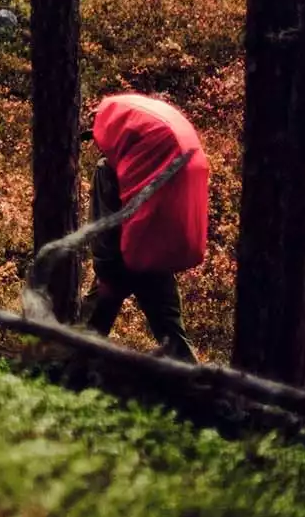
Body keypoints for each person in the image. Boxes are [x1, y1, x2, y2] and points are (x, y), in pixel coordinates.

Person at [82, 94, 211, 363]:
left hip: (118, 264)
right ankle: (201, 392)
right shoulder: (151, 165)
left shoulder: (107, 169)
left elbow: (103, 226)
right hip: (154, 256)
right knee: (171, 334)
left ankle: (64, 382)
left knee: (87, 333)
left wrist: (105, 271)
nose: (96, 145)